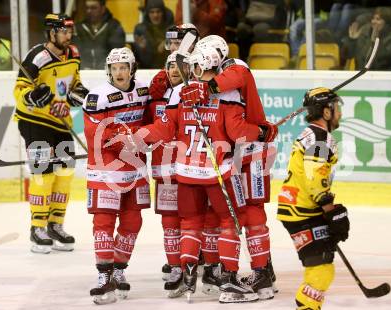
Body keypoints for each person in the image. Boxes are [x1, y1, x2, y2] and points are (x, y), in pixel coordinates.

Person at [136, 45, 273, 303]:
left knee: (190, 223)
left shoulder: (182, 92)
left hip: (188, 173)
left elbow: (163, 129)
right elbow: (237, 132)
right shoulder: (226, 94)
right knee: (232, 222)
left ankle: (191, 279)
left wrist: (136, 138)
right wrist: (265, 132)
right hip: (219, 172)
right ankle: (230, 281)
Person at [179, 35, 279, 298]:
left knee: (252, 211)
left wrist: (206, 88)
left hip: (253, 150)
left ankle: (262, 272)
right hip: (228, 155)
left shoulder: (235, 67)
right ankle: (222, 270)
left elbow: (236, 77)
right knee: (229, 213)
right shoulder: (212, 78)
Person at [13, 13, 89, 254]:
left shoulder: (74, 53)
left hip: (61, 121)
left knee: (65, 172)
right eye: (64, 31)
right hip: (34, 120)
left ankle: (55, 224)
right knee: (43, 173)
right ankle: (37, 228)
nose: (69, 35)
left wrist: (76, 95)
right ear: (51, 32)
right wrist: (32, 97)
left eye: (70, 31)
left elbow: (74, 83)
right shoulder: (37, 57)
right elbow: (20, 89)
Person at [83, 47, 151, 305]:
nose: (119, 72)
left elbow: (153, 118)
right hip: (106, 169)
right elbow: (96, 134)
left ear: (132, 69)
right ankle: (104, 275)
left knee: (133, 222)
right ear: (108, 70)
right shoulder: (98, 96)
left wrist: (148, 137)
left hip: (135, 169)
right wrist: (127, 144)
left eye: (123, 67)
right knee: (103, 223)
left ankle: (119, 269)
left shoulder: (143, 91)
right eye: (114, 68)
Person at [277, 87, 350, 310]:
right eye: (335, 107)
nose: (339, 112)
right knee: (321, 268)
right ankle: (307, 306)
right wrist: (330, 209)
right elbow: (314, 176)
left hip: (299, 207)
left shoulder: (312, 133)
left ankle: (308, 305)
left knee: (322, 262)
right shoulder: (320, 137)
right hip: (302, 211)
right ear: (326, 112)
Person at [147, 51, 183, 295]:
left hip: (192, 170)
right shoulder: (154, 98)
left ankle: (204, 263)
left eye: (179, 66)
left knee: (197, 221)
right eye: (170, 66)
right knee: (170, 222)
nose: (174, 70)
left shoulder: (196, 95)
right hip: (165, 170)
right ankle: (175, 265)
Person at [75, 0, 125, 69]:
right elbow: (76, 52)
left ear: (102, 9)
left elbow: (117, 52)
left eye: (93, 8)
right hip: (84, 72)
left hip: (107, 72)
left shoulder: (114, 26)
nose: (89, 11)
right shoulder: (79, 27)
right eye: (87, 8)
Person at [133, 0, 174, 69]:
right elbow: (143, 61)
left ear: (163, 13)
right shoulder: (140, 30)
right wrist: (143, 49)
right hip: (146, 70)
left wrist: (167, 45)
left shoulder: (172, 30)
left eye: (158, 11)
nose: (155, 15)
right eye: (152, 12)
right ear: (147, 14)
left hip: (168, 69)